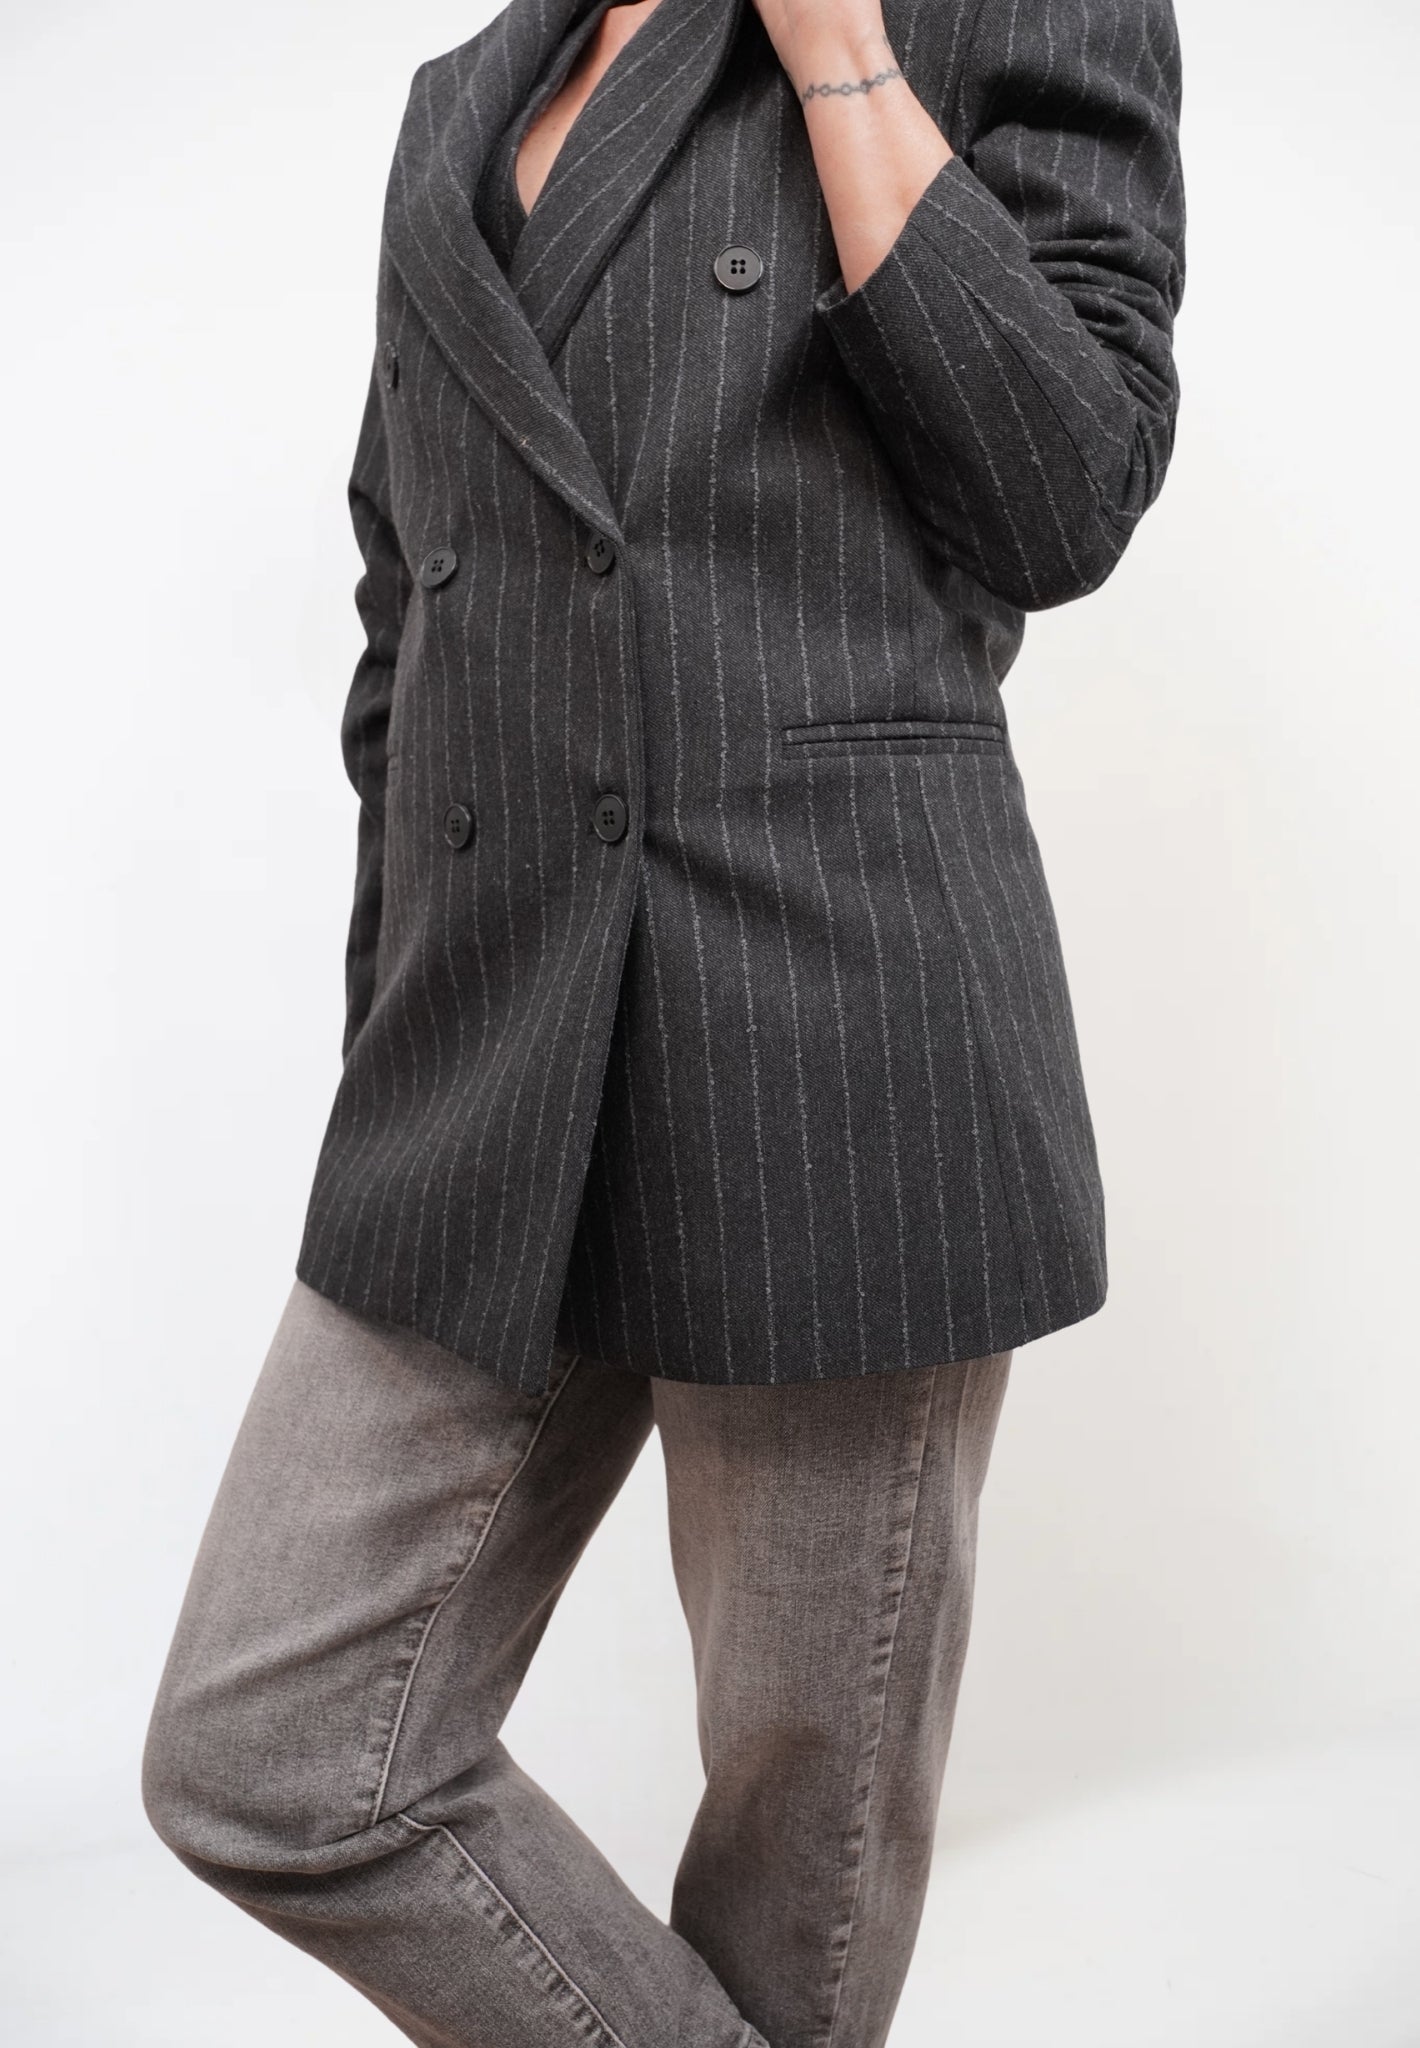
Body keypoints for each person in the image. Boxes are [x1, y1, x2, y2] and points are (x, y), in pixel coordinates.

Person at [142, 0, 1186, 2042]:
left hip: (825, 1022)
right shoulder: (463, 99)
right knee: (268, 1746)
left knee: (799, 1862)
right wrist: (394, 1033)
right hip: (487, 1056)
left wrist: (837, 55)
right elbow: (409, 604)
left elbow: (1062, 495)